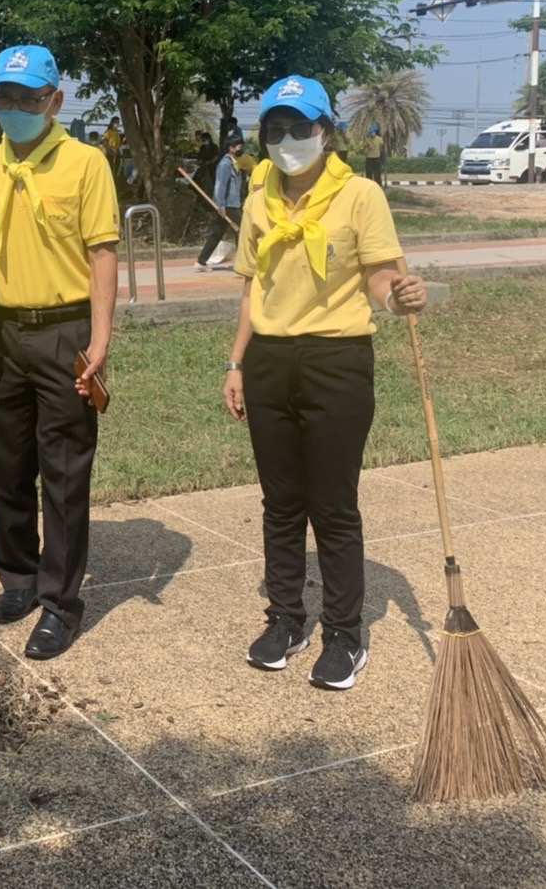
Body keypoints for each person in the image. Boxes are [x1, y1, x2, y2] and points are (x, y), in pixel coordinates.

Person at [224, 75, 427, 691]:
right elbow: (253, 288)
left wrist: (401, 295)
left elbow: (380, 280)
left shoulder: (360, 196)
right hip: (269, 363)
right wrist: (236, 364)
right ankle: (285, 617)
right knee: (280, 503)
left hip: (336, 361)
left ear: (327, 132)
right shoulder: (260, 198)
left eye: (300, 127)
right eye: (275, 129)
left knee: (333, 506)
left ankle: (344, 632)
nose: (287, 140)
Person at [0, 45, 119, 661]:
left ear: (55, 101)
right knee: (6, 461)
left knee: (66, 472)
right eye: (5, 97)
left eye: (28, 98)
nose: (14, 108)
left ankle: (59, 603)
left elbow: (103, 252)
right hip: (3, 331)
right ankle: (17, 579)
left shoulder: (85, 164)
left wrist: (100, 339)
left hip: (65, 330)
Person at [193, 128, 247, 272]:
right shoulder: (225, 165)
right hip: (228, 205)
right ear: (231, 148)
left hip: (231, 204)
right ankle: (242, 263)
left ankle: (201, 262)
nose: (242, 149)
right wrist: (220, 206)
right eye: (239, 147)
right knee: (242, 231)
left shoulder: (234, 163)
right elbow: (220, 187)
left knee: (217, 233)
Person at [362, 124, 385, 188]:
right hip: (369, 158)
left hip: (376, 158)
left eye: (373, 132)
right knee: (369, 174)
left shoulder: (379, 139)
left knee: (377, 174)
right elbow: (365, 148)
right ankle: (369, 186)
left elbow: (381, 148)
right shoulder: (367, 139)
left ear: (376, 132)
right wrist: (366, 152)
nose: (372, 133)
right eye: (371, 132)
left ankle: (378, 187)